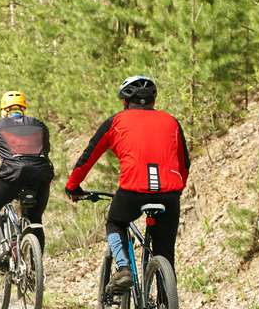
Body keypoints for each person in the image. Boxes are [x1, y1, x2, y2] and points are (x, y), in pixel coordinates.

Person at [64, 75, 190, 292]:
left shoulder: (116, 122)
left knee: (115, 222)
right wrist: (177, 190)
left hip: (133, 190)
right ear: (153, 101)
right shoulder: (171, 121)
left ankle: (123, 268)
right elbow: (184, 163)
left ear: (124, 102)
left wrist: (73, 186)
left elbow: (88, 157)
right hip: (169, 193)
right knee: (165, 255)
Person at [0, 91, 54, 271]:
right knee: (35, 218)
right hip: (41, 175)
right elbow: (44, 151)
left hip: (12, 175)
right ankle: (34, 269)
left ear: (4, 110)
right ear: (23, 109)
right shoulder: (40, 125)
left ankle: (3, 245)